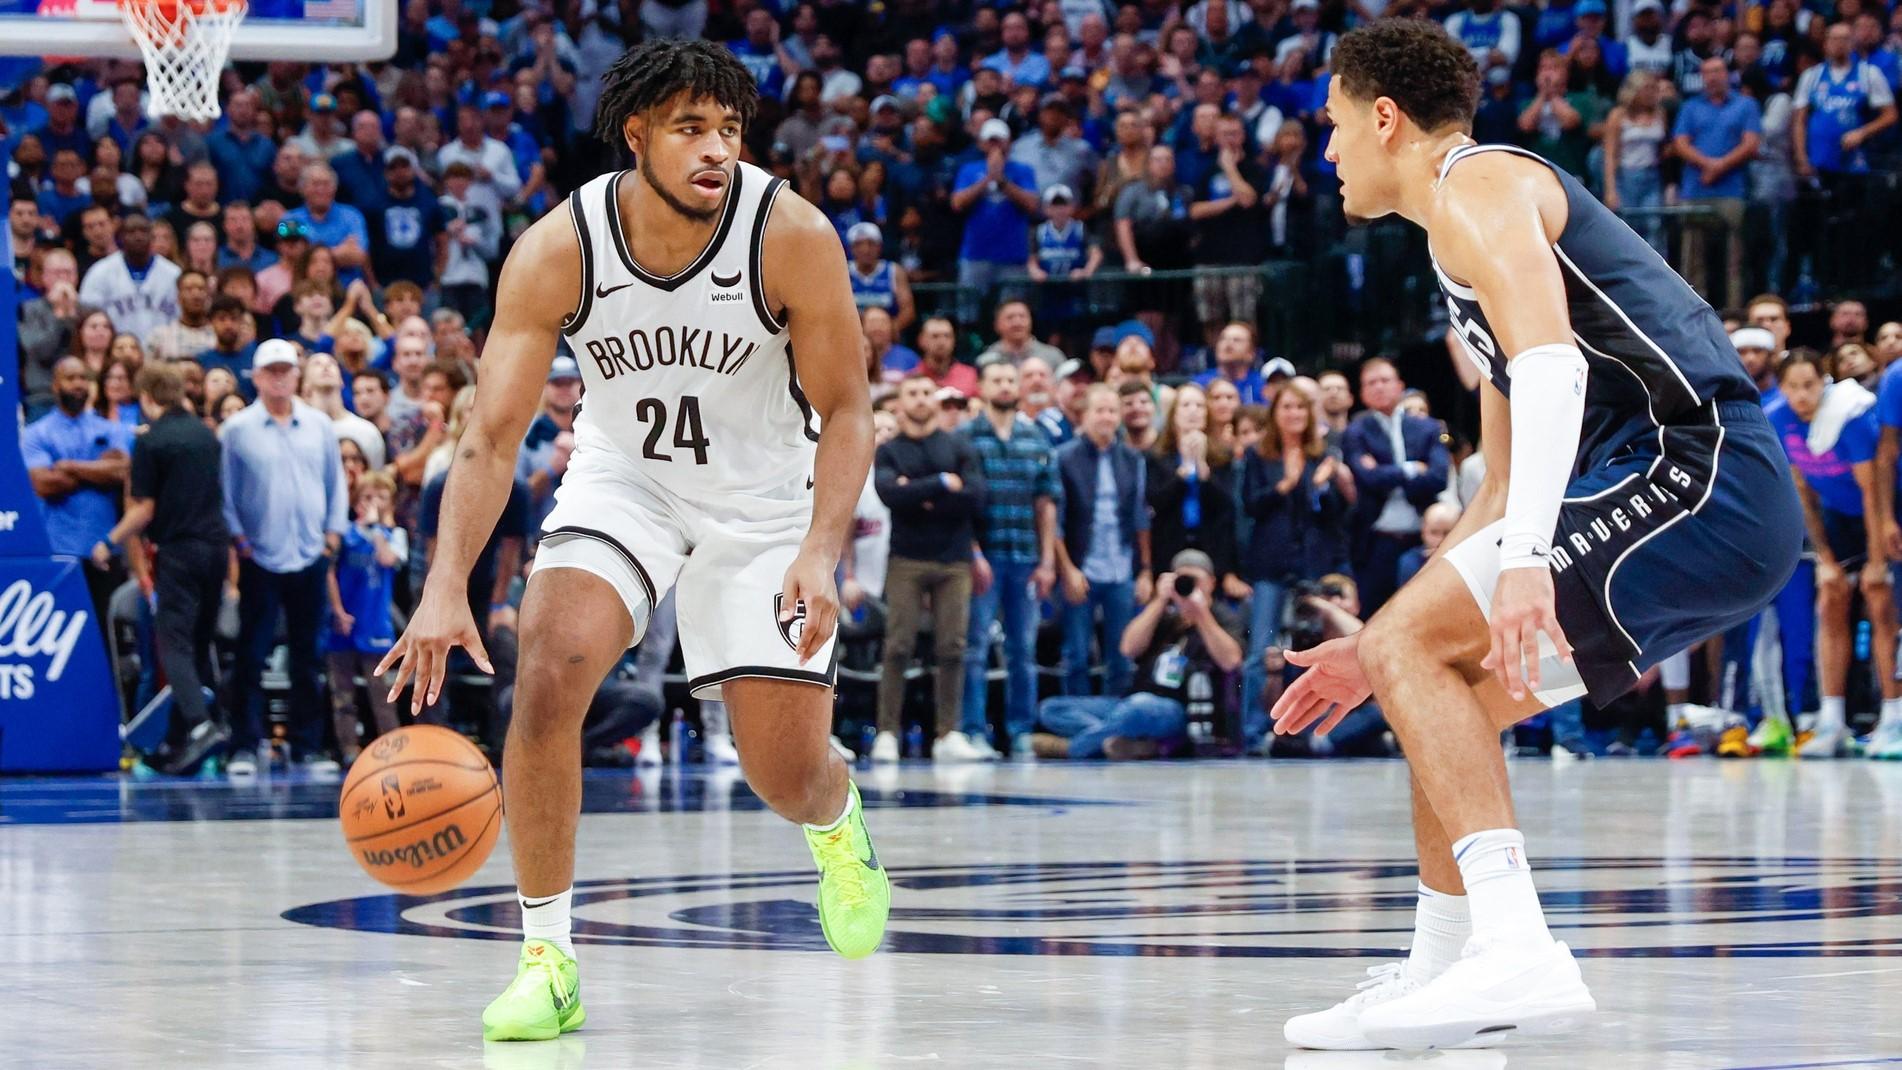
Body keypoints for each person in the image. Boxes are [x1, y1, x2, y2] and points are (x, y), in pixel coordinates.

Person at [1273, 22, 1799, 1051]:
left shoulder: (1484, 183)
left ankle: (1518, 944)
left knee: (1417, 651)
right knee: (1439, 684)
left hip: (1700, 473)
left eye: (1333, 125)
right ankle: (1448, 967)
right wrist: (1385, 634)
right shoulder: (1454, 241)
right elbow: (1504, 480)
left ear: (1384, 118)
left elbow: (1555, 367)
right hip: (1680, 494)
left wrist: (1519, 571)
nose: (1326, 151)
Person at [375, 40, 889, 1040]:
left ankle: (837, 818)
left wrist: (821, 548)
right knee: (549, 667)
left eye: (731, 130)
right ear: (639, 134)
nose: (716, 149)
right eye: (692, 127)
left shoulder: (791, 233)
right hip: (629, 480)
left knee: (779, 772)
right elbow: (488, 434)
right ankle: (548, 957)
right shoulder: (559, 247)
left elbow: (851, 409)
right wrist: (446, 583)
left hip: (765, 501)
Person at [219, 339, 351, 779]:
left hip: (309, 552)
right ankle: (244, 745)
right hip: (260, 555)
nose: (279, 377)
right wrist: (240, 540)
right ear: (256, 377)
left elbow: (337, 483)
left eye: (286, 370)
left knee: (308, 657)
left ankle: (306, 746)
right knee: (251, 656)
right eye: (271, 371)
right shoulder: (237, 430)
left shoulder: (319, 426)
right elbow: (226, 491)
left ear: (297, 375)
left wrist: (333, 534)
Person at [99, 362, 228, 773]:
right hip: (216, 550)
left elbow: (145, 509)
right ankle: (202, 731)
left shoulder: (152, 442)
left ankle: (200, 726)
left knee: (173, 644)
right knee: (202, 642)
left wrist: (108, 541)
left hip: (180, 553)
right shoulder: (206, 436)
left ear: (146, 397)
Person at [1770, 350, 1897, 758]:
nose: (1802, 395)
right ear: (1782, 388)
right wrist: (1824, 558)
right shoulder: (1777, 419)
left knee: (1880, 605)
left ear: (1823, 383)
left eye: (1810, 385)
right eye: (1793, 387)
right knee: (1830, 601)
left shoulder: (1852, 418)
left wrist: (1877, 561)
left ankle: (1893, 718)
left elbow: (1873, 491)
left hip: (1877, 514)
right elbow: (1801, 494)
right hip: (1834, 518)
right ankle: (1831, 720)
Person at [871, 375, 987, 762]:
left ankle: (948, 733)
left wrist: (917, 492)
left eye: (926, 393)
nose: (920, 400)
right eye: (912, 394)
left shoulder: (959, 445)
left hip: (954, 559)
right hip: (907, 557)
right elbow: (890, 495)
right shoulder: (889, 451)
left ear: (935, 402)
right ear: (900, 403)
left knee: (952, 647)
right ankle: (887, 731)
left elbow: (974, 498)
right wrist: (941, 483)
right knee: (898, 645)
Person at [1031, 548, 1244, 759]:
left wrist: (1201, 614)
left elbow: (1231, 660)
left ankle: (1073, 748)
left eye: (1195, 579)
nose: (1187, 585)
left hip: (1181, 710)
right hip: (1131, 702)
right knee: (1051, 709)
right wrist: (1158, 601)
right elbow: (1128, 648)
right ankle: (1131, 742)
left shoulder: (1221, 617)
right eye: (1181, 579)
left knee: (1137, 709)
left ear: (1211, 583)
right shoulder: (1166, 617)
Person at [1239, 382, 1350, 741]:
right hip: (1270, 562)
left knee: (1310, 649)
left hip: (1310, 563)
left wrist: (1324, 487)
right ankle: (1254, 732)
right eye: (1287, 407)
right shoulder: (1260, 455)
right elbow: (1250, 504)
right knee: (1261, 651)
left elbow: (1335, 514)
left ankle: (1306, 732)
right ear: (1275, 414)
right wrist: (1284, 486)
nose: (1294, 414)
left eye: (1300, 408)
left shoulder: (1322, 454)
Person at [961, 359, 1060, 758]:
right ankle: (973, 731)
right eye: (996, 380)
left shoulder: (1035, 437)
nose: (1004, 385)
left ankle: (1020, 730)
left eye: (1009, 379)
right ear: (982, 388)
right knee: (975, 647)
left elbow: (1047, 505)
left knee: (1023, 649)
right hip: (984, 556)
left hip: (1025, 556)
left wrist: (1048, 560)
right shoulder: (966, 438)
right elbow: (961, 505)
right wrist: (973, 553)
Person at [1054, 383, 1150, 698]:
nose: (1107, 417)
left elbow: (1139, 518)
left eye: (1112, 411)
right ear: (1084, 415)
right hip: (1081, 566)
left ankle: (1114, 728)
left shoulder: (1133, 459)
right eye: (1100, 410)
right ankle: (1078, 722)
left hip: (1121, 568)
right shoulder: (1064, 457)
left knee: (1121, 656)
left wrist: (1145, 570)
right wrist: (1067, 569)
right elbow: (1055, 519)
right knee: (1077, 655)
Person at [24, 357, 134, 623]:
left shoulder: (109, 428)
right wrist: (98, 470)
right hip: (59, 547)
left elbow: (121, 472)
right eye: (70, 378)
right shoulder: (36, 433)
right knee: (66, 630)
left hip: (105, 545)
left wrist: (68, 466)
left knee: (105, 631)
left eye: (83, 378)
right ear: (55, 385)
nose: (78, 384)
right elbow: (43, 484)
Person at [1342, 357, 1451, 615]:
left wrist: (1381, 470)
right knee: (1372, 617)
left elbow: (1438, 477)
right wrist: (1412, 468)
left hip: (1421, 539)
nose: (1379, 387)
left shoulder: (1427, 428)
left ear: (1399, 385)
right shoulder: (1356, 432)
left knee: (1424, 614)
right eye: (1371, 383)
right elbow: (1367, 480)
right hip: (1376, 541)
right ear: (1363, 392)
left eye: (1385, 380)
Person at [1673, 57, 1761, 310]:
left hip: (1732, 190)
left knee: (1735, 257)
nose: (1712, 77)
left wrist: (1719, 166)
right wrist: (1707, 165)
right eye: (1707, 73)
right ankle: (1692, 309)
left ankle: (1734, 310)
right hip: (1695, 188)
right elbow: (1680, 143)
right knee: (1692, 256)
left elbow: (1751, 143)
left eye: (1717, 71)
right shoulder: (1690, 107)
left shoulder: (1746, 105)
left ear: (1727, 75)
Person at [77, 212, 180, 344]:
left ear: (151, 236)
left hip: (164, 353)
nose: (138, 237)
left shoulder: (173, 274)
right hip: (115, 353)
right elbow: (87, 316)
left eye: (143, 231)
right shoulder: (100, 272)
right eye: (131, 232)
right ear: (120, 237)